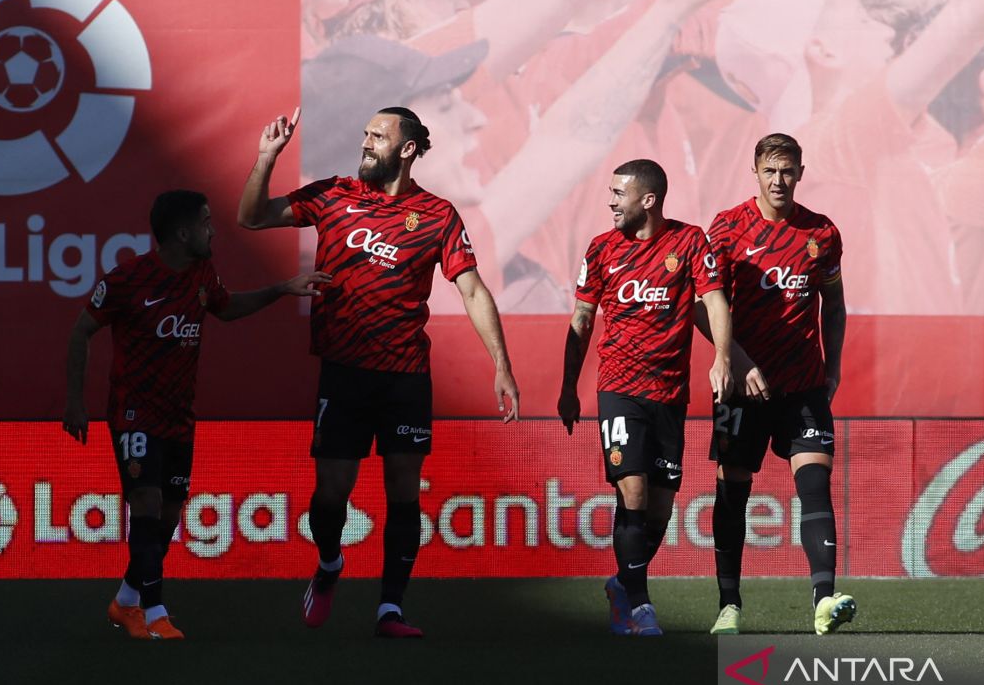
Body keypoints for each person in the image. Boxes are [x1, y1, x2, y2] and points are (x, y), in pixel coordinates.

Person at [238, 104, 520, 638]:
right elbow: (251, 217)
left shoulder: (437, 215)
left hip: (405, 377)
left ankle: (390, 608)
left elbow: (473, 289)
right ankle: (328, 565)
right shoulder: (333, 195)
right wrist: (265, 158)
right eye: (364, 133)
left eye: (378, 136)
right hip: (344, 375)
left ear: (407, 149)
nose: (365, 142)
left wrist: (501, 365)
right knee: (330, 497)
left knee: (404, 493)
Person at [62, 190, 330, 640]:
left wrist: (283, 288)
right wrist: (75, 401)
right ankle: (154, 613)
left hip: (179, 417)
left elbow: (225, 309)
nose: (213, 230)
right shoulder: (128, 279)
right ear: (182, 232)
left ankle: (126, 600)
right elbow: (80, 331)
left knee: (166, 519)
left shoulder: (202, 273)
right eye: (207, 222)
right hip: (134, 413)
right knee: (145, 505)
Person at [557, 158, 732, 636]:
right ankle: (639, 607)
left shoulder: (690, 241)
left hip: (670, 395)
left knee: (659, 508)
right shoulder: (600, 249)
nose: (611, 201)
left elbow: (714, 299)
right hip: (618, 390)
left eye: (619, 193)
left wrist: (723, 358)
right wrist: (568, 386)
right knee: (631, 489)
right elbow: (581, 320)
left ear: (648, 200)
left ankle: (621, 582)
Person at [700, 133, 851, 636]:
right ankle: (729, 605)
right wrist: (736, 360)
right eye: (770, 170)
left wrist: (832, 369)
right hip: (741, 390)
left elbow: (835, 304)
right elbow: (704, 305)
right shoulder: (726, 228)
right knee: (732, 493)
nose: (779, 180)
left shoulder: (822, 233)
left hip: (803, 385)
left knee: (815, 485)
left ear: (801, 173)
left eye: (788, 171)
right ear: (756, 171)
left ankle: (824, 601)